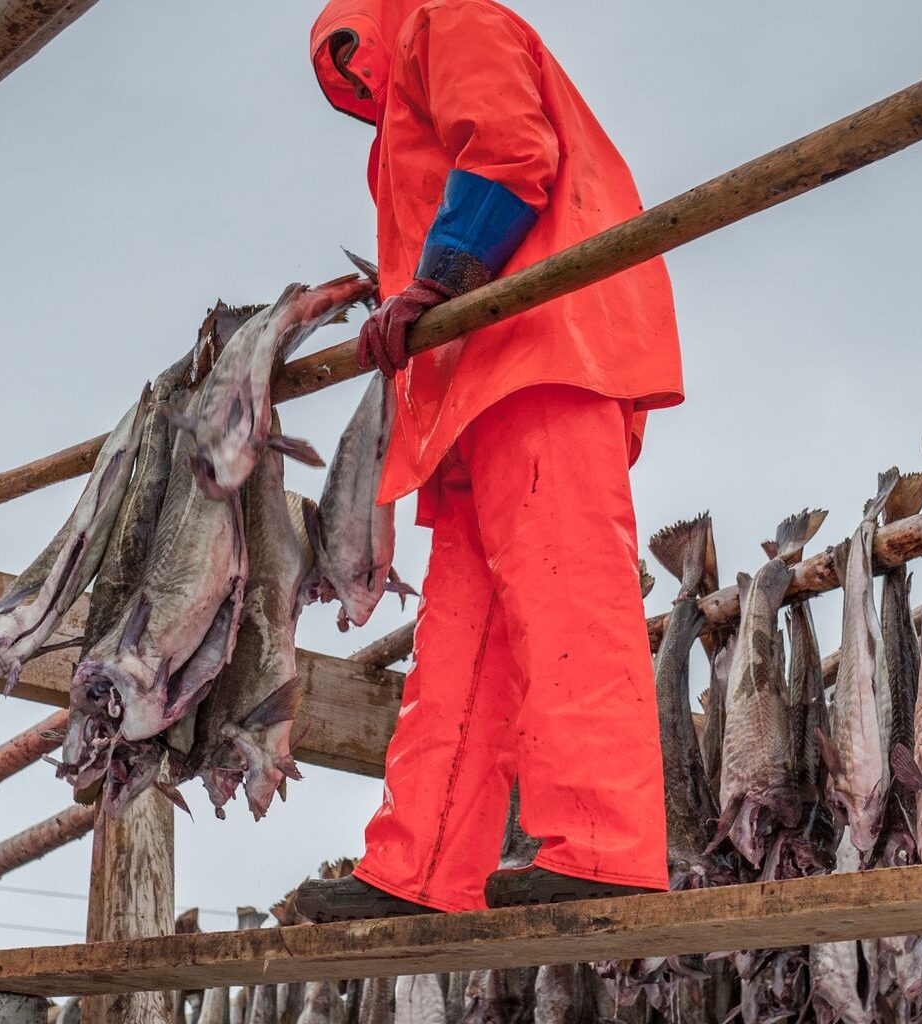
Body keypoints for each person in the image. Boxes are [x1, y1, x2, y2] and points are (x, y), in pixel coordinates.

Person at [293, 0, 684, 921]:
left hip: (543, 353)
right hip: (470, 388)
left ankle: (604, 844)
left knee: (565, 593)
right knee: (460, 636)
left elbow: (510, 153)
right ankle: (419, 870)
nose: (353, 78)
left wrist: (440, 279)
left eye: (352, 57)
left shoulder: (445, 17)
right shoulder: (398, 114)